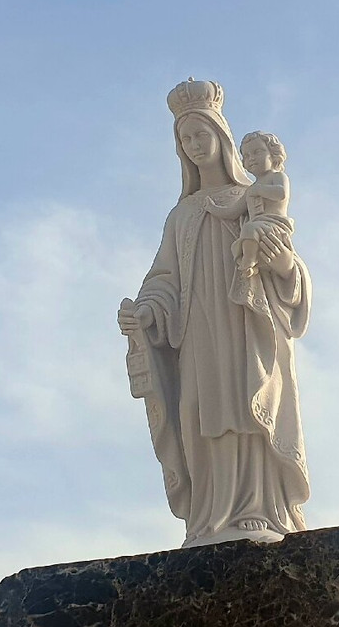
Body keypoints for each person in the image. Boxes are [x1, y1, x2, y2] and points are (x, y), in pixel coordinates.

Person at [118, 79, 312, 548]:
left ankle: (257, 507)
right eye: (185, 140)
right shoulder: (181, 216)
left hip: (247, 323)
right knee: (200, 410)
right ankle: (209, 515)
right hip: (199, 330)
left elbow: (290, 270)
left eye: (201, 135)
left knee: (246, 402)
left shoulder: (257, 198)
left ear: (221, 138)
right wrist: (144, 312)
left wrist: (281, 262)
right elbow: (164, 280)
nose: (194, 145)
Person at [232, 131, 292, 278]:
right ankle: (249, 262)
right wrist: (212, 208)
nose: (251, 158)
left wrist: (259, 190)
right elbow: (234, 211)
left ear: (273, 154)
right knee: (249, 230)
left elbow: (281, 193)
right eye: (246, 156)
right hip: (257, 227)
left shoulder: (277, 176)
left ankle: (249, 261)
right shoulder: (250, 190)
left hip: (275, 225)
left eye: (257, 152)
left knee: (250, 228)